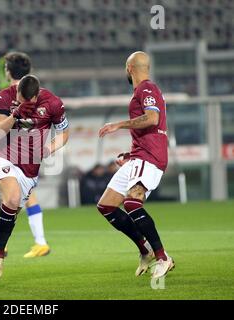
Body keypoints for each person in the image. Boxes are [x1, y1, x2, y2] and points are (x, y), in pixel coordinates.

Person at [0, 74, 69, 281]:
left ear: (36, 96)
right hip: (3, 157)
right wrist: (14, 115)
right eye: (20, 99)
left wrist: (50, 148)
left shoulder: (53, 103)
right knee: (11, 199)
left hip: (30, 169)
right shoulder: (6, 96)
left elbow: (64, 133)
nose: (24, 103)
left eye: (27, 102)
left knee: (13, 212)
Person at [97, 51, 174, 280]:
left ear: (129, 68)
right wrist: (131, 155)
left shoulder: (146, 89)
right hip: (140, 156)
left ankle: (163, 257)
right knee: (107, 206)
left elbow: (152, 119)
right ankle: (145, 250)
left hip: (150, 157)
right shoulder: (144, 90)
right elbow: (148, 127)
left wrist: (117, 125)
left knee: (132, 203)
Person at [0, 51, 51, 259]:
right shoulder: (39, 93)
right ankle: (33, 242)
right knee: (21, 198)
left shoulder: (6, 93)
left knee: (11, 198)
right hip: (33, 152)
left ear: (7, 71)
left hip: (12, 152)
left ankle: (9, 245)